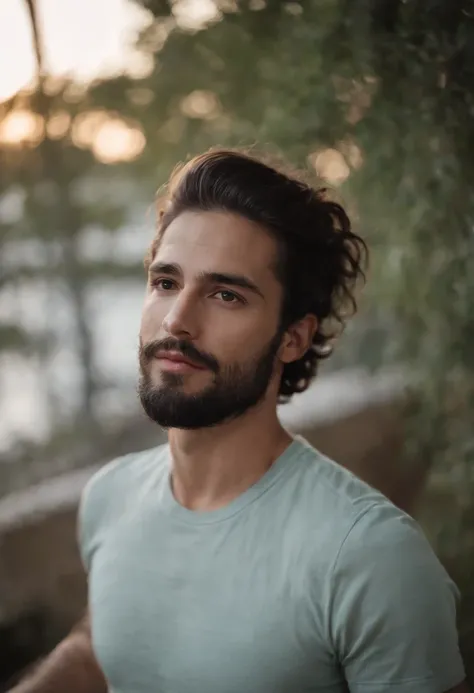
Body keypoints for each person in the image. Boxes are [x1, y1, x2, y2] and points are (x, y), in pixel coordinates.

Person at [11, 149, 468, 693]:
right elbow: (100, 646)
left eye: (226, 294)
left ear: (293, 337)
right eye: (165, 283)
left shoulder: (369, 555)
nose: (178, 320)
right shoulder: (110, 497)